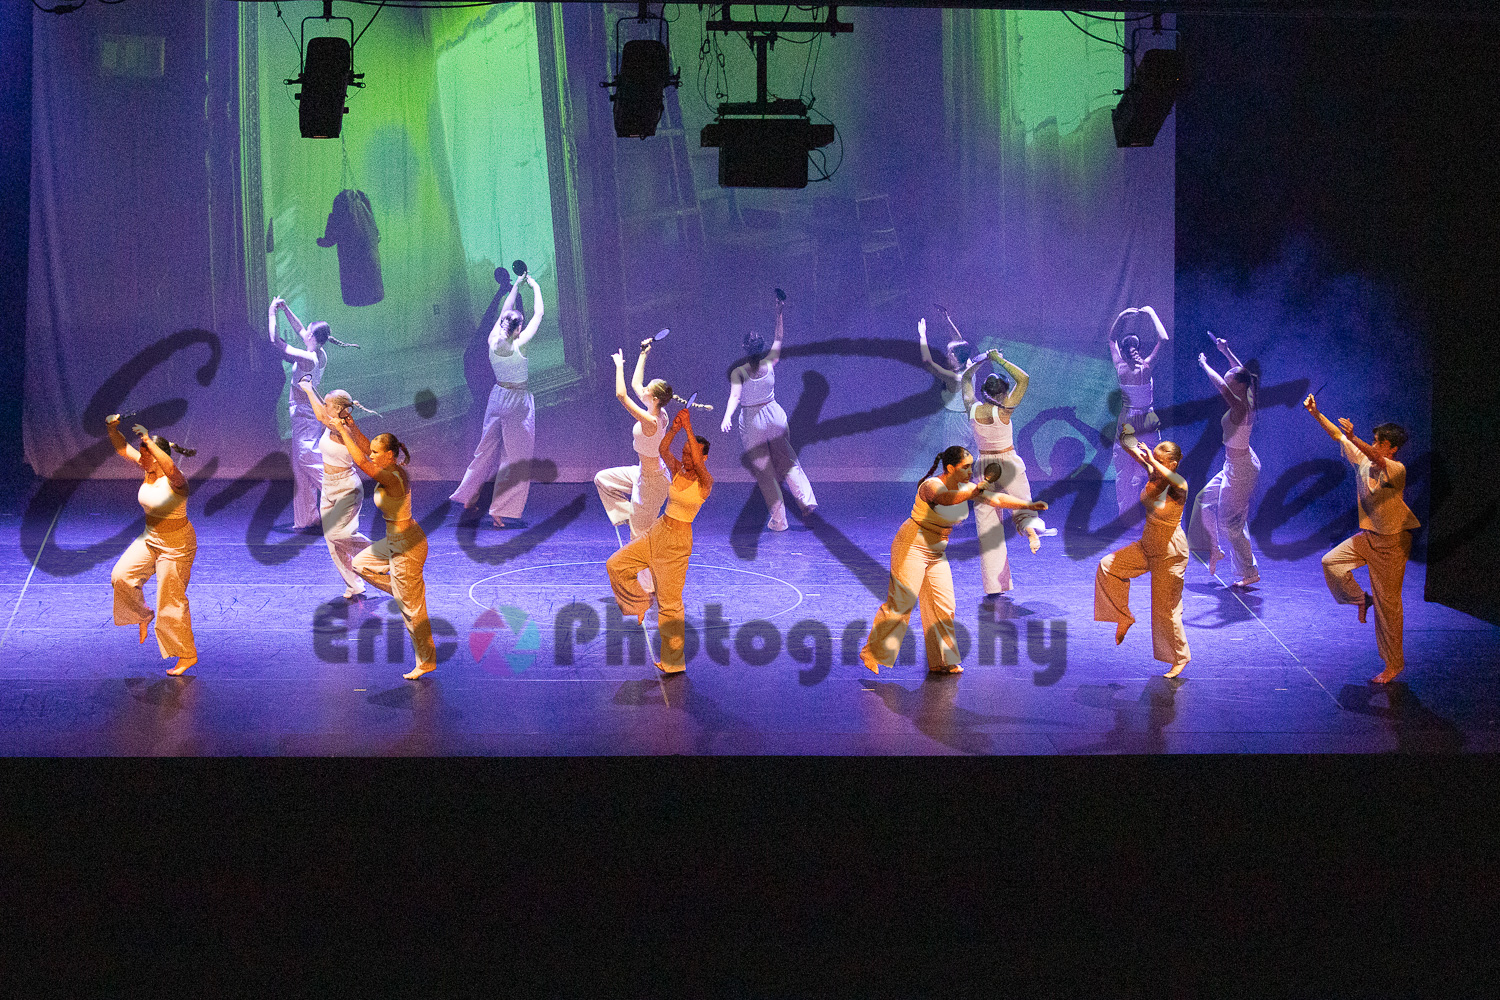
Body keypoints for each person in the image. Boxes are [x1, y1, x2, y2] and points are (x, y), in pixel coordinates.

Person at [861, 445, 1049, 675]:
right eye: (965, 467)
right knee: (901, 605)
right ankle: (872, 652)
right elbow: (946, 499)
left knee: (945, 605)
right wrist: (974, 490)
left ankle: (942, 660)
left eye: (971, 467)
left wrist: (1027, 505)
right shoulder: (931, 486)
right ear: (950, 468)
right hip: (911, 545)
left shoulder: (967, 488)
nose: (970, 471)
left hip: (937, 550)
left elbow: (997, 499)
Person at [1304, 395, 1420, 684]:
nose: (1375, 445)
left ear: (1392, 448)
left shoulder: (1397, 469)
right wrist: (1316, 413)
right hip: (1368, 537)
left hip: (1392, 545)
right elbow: (1337, 435)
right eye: (1374, 440)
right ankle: (1361, 599)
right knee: (1331, 562)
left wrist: (1355, 437)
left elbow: (1376, 457)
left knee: (1388, 607)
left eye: (1380, 442)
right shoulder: (1363, 459)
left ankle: (1393, 664)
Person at [607, 406, 713, 675]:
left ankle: (673, 662)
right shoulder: (677, 470)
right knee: (616, 565)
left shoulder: (705, 482)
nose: (686, 458)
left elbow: (698, 463)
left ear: (704, 457)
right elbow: (663, 449)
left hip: (677, 544)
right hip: (657, 532)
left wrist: (688, 427)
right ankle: (639, 603)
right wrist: (675, 429)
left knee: (670, 606)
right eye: (685, 453)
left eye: (691, 454)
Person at [337, 423, 437, 680]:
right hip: (395, 541)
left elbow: (362, 462)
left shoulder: (393, 477)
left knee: (412, 611)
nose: (371, 454)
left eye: (376, 452)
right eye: (371, 451)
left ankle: (426, 661)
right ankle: (401, 590)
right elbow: (365, 449)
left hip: (407, 546)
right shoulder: (389, 467)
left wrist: (343, 432)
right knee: (360, 563)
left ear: (389, 455)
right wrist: (351, 425)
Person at [1095, 424, 1191, 679]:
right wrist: (1126, 435)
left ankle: (1179, 658)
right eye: (1153, 458)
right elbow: (1133, 450)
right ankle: (1123, 616)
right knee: (1108, 566)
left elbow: (1174, 480)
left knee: (1166, 610)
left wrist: (1152, 461)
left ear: (1172, 464)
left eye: (1160, 460)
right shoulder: (1154, 472)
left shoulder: (1179, 485)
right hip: (1148, 544)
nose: (1153, 463)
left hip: (1170, 552)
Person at [106, 414, 199, 675]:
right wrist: (111, 429)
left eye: (146, 454)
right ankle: (142, 615)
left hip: (176, 545)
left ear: (157, 457)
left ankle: (187, 654)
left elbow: (171, 468)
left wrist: (148, 440)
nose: (141, 459)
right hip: (150, 537)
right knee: (121, 577)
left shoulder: (176, 481)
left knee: (170, 602)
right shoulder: (148, 468)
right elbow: (122, 448)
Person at [450, 271, 545, 527]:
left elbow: (505, 309)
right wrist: (534, 286)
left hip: (497, 396)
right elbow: (539, 314)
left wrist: (515, 286)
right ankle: (499, 510)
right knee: (516, 456)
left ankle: (468, 496)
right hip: (517, 400)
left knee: (485, 450)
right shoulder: (519, 344)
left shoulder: (493, 339)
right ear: (518, 329)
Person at [720, 290, 817, 531]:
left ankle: (779, 520)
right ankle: (806, 502)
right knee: (788, 460)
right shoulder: (770, 362)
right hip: (774, 414)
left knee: (765, 472)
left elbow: (735, 397)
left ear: (744, 348)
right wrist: (779, 313)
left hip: (752, 420)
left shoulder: (739, 372)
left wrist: (727, 417)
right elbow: (779, 337)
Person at [962, 347, 1050, 599]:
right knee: (1022, 503)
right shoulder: (1004, 410)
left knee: (988, 527)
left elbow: (966, 378)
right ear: (1002, 393)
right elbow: (1024, 379)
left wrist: (981, 360)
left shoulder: (972, 408)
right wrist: (998, 359)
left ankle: (994, 586)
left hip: (984, 467)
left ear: (984, 392)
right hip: (1008, 463)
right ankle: (1030, 531)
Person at [266, 296, 358, 530]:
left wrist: (272, 312)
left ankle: (341, 496)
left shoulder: (308, 358)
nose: (303, 332)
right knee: (300, 468)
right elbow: (300, 329)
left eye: (308, 332)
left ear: (313, 338)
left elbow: (276, 342)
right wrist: (286, 309)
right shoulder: (319, 352)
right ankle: (307, 518)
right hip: (302, 413)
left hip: (304, 415)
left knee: (306, 457)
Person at [1189, 335, 1261, 587]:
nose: (1227, 381)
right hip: (1233, 465)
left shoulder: (1241, 407)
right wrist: (1226, 350)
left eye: (1231, 379)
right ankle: (1215, 549)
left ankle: (1250, 571)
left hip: (1241, 469)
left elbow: (1221, 385)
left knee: (1231, 524)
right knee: (1203, 501)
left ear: (1238, 386)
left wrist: (1204, 364)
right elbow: (1243, 374)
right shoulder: (1246, 394)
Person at [297, 378, 373, 600]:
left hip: (347, 487)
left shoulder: (342, 428)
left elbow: (322, 417)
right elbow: (323, 415)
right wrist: (310, 391)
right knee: (332, 542)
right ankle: (354, 585)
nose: (324, 406)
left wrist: (308, 390)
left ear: (338, 408)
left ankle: (380, 554)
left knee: (340, 535)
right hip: (328, 486)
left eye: (328, 404)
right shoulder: (336, 423)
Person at [1108, 306, 1169, 517]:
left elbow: (1164, 339)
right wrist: (1121, 316)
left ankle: (1155, 511)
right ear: (1124, 353)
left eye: (1135, 346)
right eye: (1128, 347)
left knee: (1153, 464)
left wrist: (1152, 313)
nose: (1133, 349)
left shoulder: (1146, 367)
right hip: (1128, 419)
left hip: (1146, 418)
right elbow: (1111, 340)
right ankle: (1125, 515)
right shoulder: (1121, 367)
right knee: (1124, 468)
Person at [905, 308, 975, 478]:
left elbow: (928, 363)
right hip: (967, 417)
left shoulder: (955, 378)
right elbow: (958, 340)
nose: (947, 354)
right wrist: (947, 319)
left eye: (950, 353)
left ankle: (957, 486)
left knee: (954, 458)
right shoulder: (969, 365)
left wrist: (922, 336)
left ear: (956, 357)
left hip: (957, 422)